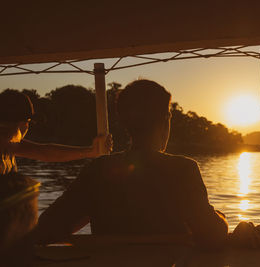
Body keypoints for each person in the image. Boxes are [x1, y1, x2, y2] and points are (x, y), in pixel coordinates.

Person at [34, 79, 228, 248]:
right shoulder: (183, 169)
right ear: (165, 120)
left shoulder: (97, 170)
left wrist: (92, 209)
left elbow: (47, 228)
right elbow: (212, 235)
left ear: (124, 122)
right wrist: (220, 218)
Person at [0, 90, 112, 175]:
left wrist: (91, 151)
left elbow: (44, 151)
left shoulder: (10, 146)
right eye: (28, 122)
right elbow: (43, 151)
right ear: (22, 124)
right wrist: (91, 151)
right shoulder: (9, 144)